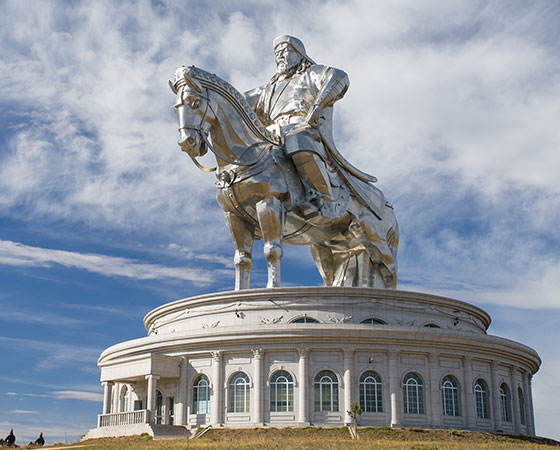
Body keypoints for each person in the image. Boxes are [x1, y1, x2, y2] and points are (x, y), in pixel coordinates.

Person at [244, 35, 351, 223]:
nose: (280, 56)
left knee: (296, 139)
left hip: (302, 127)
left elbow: (339, 77)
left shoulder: (311, 74)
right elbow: (239, 101)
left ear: (299, 54)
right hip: (272, 132)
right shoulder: (268, 89)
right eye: (277, 53)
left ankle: (325, 199)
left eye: (285, 51)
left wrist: (317, 106)